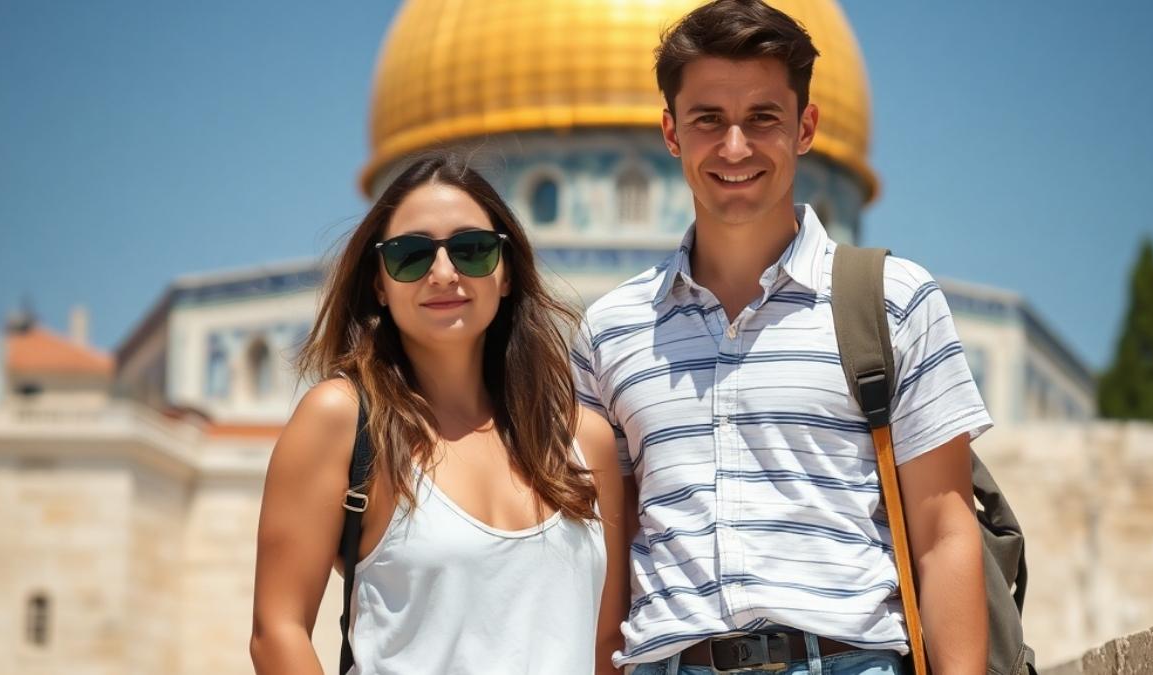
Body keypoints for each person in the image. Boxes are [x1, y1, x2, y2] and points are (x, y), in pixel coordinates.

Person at [572, 1, 990, 673]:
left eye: (762, 118)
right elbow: (604, 563)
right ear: (671, 133)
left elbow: (944, 533)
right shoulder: (610, 331)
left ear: (806, 127)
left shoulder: (891, 302)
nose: (734, 147)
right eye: (708, 119)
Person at [250, 152, 627, 675]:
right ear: (379, 283)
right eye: (411, 255)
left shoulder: (583, 439)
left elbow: (607, 641)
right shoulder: (342, 419)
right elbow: (277, 631)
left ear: (507, 273)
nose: (444, 273)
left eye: (472, 251)